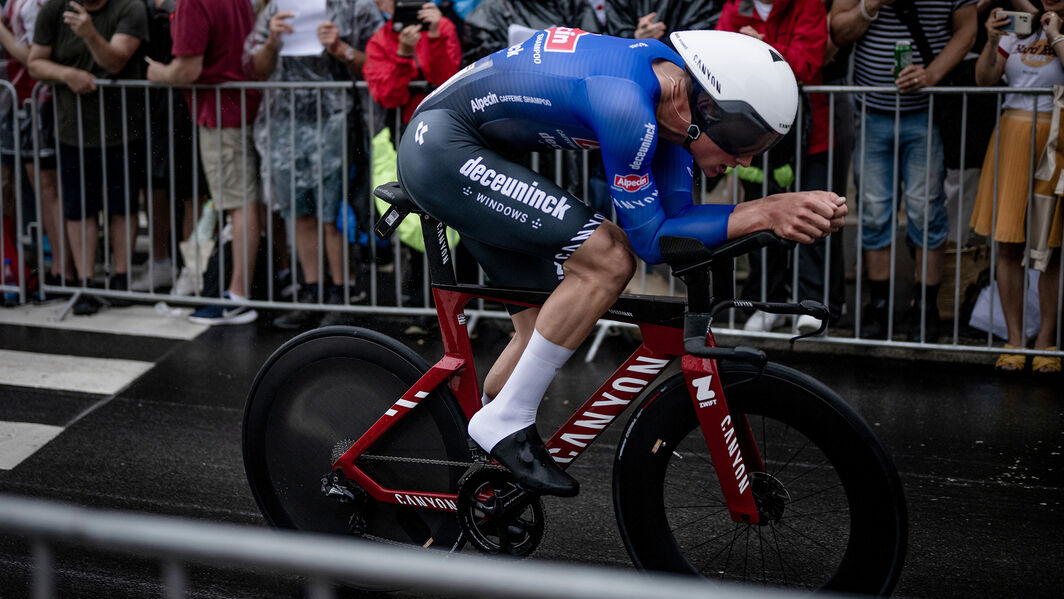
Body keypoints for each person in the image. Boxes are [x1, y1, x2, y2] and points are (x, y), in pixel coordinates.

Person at [397, 29, 847, 495]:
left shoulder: (674, 100)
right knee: (609, 258)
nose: (747, 158)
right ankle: (506, 420)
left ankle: (483, 466)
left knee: (540, 331)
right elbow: (650, 242)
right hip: (442, 147)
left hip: (477, 148)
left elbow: (680, 218)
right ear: (710, 109)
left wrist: (768, 215)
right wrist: (763, 211)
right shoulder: (627, 105)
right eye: (746, 138)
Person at [830, 0, 977, 341]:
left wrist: (932, 74)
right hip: (871, 111)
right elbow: (837, 29)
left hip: (927, 113)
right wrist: (871, 5)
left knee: (926, 210)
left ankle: (924, 309)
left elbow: (967, 31)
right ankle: (878, 307)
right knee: (874, 211)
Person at [244, 0, 380, 329]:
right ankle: (312, 291)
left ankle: (341, 293)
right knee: (299, 210)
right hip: (285, 121)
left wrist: (340, 48)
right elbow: (257, 68)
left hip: (335, 119)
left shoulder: (357, 7)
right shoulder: (278, 6)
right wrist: (273, 41)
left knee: (330, 212)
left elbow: (378, 65)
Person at [714, 0, 845, 335]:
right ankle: (764, 301)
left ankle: (814, 303)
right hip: (757, 136)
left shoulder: (808, 4)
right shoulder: (735, 6)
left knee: (816, 216)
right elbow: (716, 62)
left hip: (809, 135)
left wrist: (756, 49)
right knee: (759, 217)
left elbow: (807, 62)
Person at [27, 0, 148, 315]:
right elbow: (35, 63)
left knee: (121, 205)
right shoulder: (54, 9)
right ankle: (86, 283)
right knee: (79, 209)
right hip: (72, 130)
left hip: (122, 128)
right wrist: (67, 73)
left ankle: (121, 278)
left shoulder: (129, 7)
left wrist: (90, 34)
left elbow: (116, 62)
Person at [147, 0, 263, 326]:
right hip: (238, 105)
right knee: (242, 202)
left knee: (239, 203)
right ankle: (237, 291)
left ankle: (236, 296)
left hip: (222, 110)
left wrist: (159, 72)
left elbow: (187, 69)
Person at [971, 3, 1062, 373]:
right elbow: (984, 79)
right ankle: (1014, 340)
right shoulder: (1016, 29)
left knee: (1050, 246)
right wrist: (992, 41)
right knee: (1008, 243)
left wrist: (1055, 33)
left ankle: (1047, 341)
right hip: (1011, 134)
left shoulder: (1056, 27)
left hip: (1056, 139)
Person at [0, 0, 76, 296]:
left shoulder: (38, 4)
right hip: (15, 99)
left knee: (47, 186)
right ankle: (20, 264)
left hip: (38, 98)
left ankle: (62, 268)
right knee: (14, 186)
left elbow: (32, 56)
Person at [364, 0, 460, 128]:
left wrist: (435, 36)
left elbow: (449, 83)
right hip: (408, 124)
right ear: (379, 4)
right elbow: (389, 97)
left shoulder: (442, 26)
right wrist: (403, 55)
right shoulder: (378, 42)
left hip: (447, 118)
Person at [604, 0, 721, 45]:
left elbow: (702, 35)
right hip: (633, 67)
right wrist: (635, 37)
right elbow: (614, 33)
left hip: (684, 73)